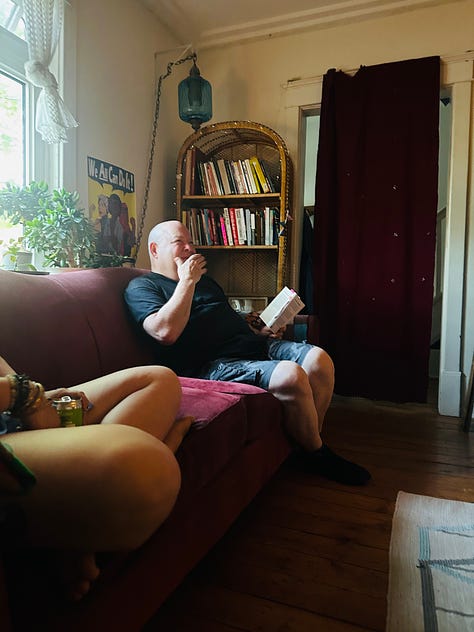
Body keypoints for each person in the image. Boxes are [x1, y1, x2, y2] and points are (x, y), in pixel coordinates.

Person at [124, 219, 371, 486]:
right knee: (291, 375)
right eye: (178, 243)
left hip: (250, 346)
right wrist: (186, 282)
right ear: (155, 249)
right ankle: (319, 454)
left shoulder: (205, 282)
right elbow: (165, 332)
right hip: (212, 364)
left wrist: (256, 329)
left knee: (319, 360)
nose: (189, 248)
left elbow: (224, 318)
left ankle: (310, 444)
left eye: (190, 242)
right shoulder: (143, 287)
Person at [0, 355, 192, 601]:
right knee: (141, 471)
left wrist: (35, 398)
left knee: (158, 378)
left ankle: (71, 507)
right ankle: (72, 525)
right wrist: (24, 396)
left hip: (12, 406)